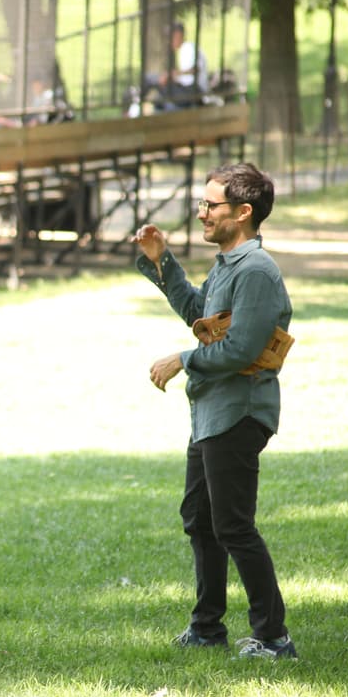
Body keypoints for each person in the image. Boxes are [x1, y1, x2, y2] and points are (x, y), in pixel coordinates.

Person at [133, 162, 297, 660]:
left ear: (243, 212)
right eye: (202, 203)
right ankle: (207, 628)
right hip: (211, 412)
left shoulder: (256, 272)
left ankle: (274, 639)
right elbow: (199, 316)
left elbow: (242, 349)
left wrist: (182, 360)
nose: (202, 213)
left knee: (233, 526)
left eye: (211, 205)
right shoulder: (228, 264)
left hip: (239, 413)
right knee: (201, 520)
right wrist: (163, 262)